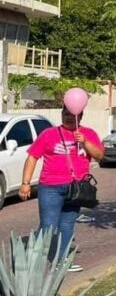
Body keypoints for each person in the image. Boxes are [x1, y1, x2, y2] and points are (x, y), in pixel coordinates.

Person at [19, 108, 104, 272]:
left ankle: (62, 261)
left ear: (80, 116)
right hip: (51, 187)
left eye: (73, 115)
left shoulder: (88, 133)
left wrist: (85, 142)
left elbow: (99, 155)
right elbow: (32, 157)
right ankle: (32, 260)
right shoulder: (49, 134)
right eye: (66, 115)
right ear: (62, 116)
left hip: (76, 188)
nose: (69, 118)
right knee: (48, 225)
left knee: (67, 225)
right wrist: (25, 183)